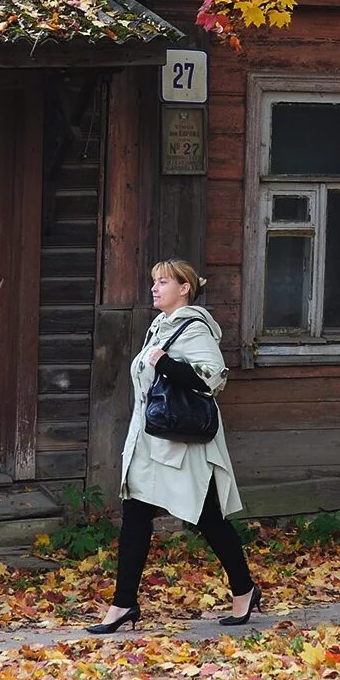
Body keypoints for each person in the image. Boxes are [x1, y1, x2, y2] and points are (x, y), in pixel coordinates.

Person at [87, 258, 259, 633]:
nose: (155, 287)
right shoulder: (160, 327)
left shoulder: (193, 328)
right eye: (154, 281)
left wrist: (165, 363)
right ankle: (123, 604)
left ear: (185, 288)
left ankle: (244, 589)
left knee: (208, 518)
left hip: (184, 446)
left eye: (164, 281)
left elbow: (212, 379)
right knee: (135, 515)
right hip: (152, 443)